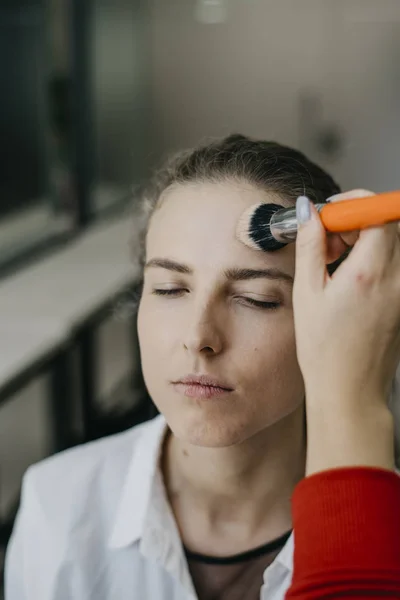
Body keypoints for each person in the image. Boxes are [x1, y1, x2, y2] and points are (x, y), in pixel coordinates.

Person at [5, 135, 400, 599]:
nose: (199, 337)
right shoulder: (57, 505)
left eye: (257, 299)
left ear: (341, 316)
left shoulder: (378, 531)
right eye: (170, 289)